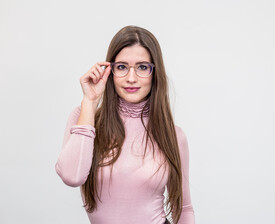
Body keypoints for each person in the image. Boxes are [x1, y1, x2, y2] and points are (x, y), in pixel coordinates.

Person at [55, 26, 195, 224]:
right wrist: (90, 101)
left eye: (142, 67)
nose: (131, 78)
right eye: (121, 67)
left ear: (155, 73)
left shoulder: (173, 135)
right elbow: (72, 176)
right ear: (109, 71)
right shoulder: (83, 118)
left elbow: (184, 208)